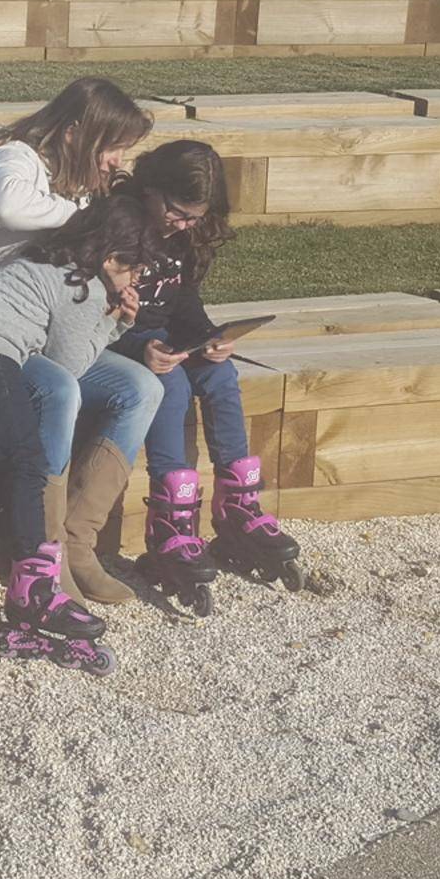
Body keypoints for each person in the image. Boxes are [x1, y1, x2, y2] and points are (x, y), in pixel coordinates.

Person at [0, 77, 165, 606]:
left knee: (141, 388)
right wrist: (92, 222)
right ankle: (40, 553)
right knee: (59, 389)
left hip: (36, 335)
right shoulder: (14, 159)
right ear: (76, 132)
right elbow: (7, 207)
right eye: (114, 147)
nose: (118, 162)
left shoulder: (81, 185)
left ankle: (76, 542)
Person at [0, 193, 173, 676]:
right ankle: (34, 588)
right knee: (25, 458)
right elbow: (69, 366)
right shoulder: (82, 286)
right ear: (110, 258)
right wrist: (115, 323)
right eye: (135, 269)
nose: (136, 280)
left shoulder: (50, 263)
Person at [109, 141, 301, 610]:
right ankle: (170, 521)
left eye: (194, 218)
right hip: (121, 339)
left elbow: (182, 299)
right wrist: (138, 348)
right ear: (151, 189)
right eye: (177, 213)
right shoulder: (120, 224)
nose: (184, 225)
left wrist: (209, 337)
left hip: (167, 337)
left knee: (221, 376)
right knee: (171, 387)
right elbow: (94, 315)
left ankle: (239, 505)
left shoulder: (183, 234)